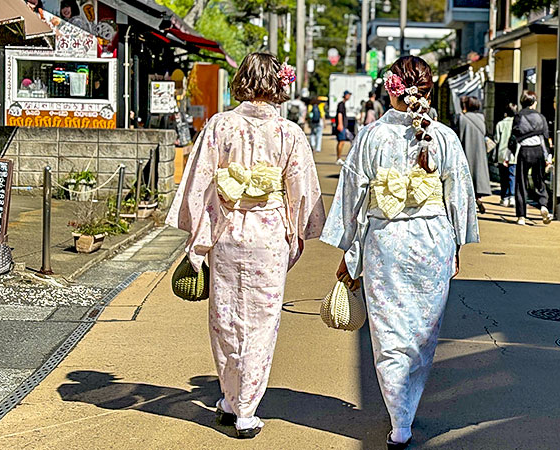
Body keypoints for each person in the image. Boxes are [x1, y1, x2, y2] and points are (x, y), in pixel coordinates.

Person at [320, 55, 479, 450]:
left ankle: (399, 420)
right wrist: (457, 244)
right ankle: (407, 409)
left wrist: (348, 251)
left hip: (385, 242)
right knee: (423, 334)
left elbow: (352, 198)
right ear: (426, 92)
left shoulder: (372, 136)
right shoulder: (443, 137)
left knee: (388, 334)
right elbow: (459, 192)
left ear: (390, 89)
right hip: (432, 240)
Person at [166, 52, 326, 439]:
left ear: (242, 81)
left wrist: (198, 238)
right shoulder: (288, 133)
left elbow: (201, 184)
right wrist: (297, 232)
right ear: (277, 84)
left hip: (226, 231)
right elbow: (301, 193)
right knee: (261, 323)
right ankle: (245, 410)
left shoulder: (220, 126)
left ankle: (230, 399)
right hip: (269, 233)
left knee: (225, 318)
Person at [511, 90, 551, 225]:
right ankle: (544, 205)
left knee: (521, 182)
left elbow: (513, 137)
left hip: (524, 151)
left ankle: (521, 216)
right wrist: (548, 156)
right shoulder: (541, 117)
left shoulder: (518, 116)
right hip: (538, 151)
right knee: (539, 180)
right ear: (534, 102)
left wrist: (509, 153)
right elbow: (545, 138)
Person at [457, 96, 492, 214]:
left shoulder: (462, 118)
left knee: (466, 177)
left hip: (466, 150)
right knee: (477, 175)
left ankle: (470, 202)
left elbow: (459, 136)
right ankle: (478, 198)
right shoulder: (481, 118)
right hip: (479, 152)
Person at [494, 103, 518, 207]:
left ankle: (504, 198)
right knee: (512, 176)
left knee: (503, 177)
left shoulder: (500, 124)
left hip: (502, 154)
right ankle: (512, 197)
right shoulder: (517, 124)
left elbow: (496, 139)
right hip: (514, 154)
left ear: (505, 113)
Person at [335, 90, 352, 165]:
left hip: (343, 125)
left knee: (342, 141)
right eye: (348, 95)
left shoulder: (343, 104)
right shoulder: (341, 104)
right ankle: (338, 158)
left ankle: (339, 158)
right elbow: (340, 114)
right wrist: (340, 124)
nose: (349, 96)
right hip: (342, 126)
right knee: (341, 141)